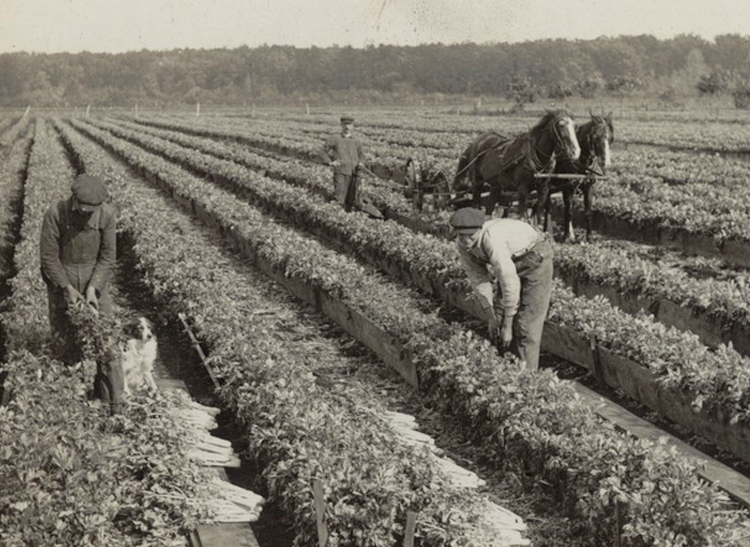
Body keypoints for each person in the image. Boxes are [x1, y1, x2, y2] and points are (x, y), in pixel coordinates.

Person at [40, 173, 123, 406]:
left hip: (94, 279)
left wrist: (94, 289)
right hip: (61, 279)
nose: (87, 214)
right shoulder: (55, 213)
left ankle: (112, 403)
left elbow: (108, 258)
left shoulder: (107, 215)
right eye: (83, 209)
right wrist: (65, 287)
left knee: (106, 343)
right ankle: (70, 405)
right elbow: (48, 257)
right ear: (74, 199)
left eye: (92, 210)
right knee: (65, 343)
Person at [449, 207, 553, 371]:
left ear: (480, 229)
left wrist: (508, 327)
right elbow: (479, 280)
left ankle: (527, 379)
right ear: (455, 232)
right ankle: (505, 372)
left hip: (535, 257)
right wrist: (490, 316)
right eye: (462, 236)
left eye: (471, 235)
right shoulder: (463, 246)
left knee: (526, 326)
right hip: (510, 259)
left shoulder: (492, 240)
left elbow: (509, 281)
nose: (467, 240)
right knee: (498, 319)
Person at [320, 115, 365, 211]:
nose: (347, 127)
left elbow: (361, 155)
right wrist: (330, 162)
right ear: (341, 125)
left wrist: (361, 162)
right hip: (341, 171)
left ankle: (348, 216)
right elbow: (322, 151)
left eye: (349, 124)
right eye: (345, 124)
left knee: (352, 196)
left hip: (355, 173)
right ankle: (337, 214)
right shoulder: (335, 138)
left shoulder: (356, 140)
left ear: (353, 126)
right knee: (339, 195)